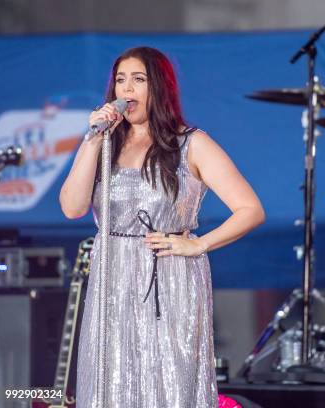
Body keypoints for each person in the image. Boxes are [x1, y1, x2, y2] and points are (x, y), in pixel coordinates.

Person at [59, 47, 265, 407]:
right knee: (112, 381)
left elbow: (250, 209)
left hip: (169, 278)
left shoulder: (191, 144)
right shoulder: (105, 144)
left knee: (168, 382)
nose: (127, 90)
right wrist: (92, 139)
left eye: (138, 80)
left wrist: (198, 245)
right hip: (112, 276)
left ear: (159, 87)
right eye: (120, 81)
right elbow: (72, 207)